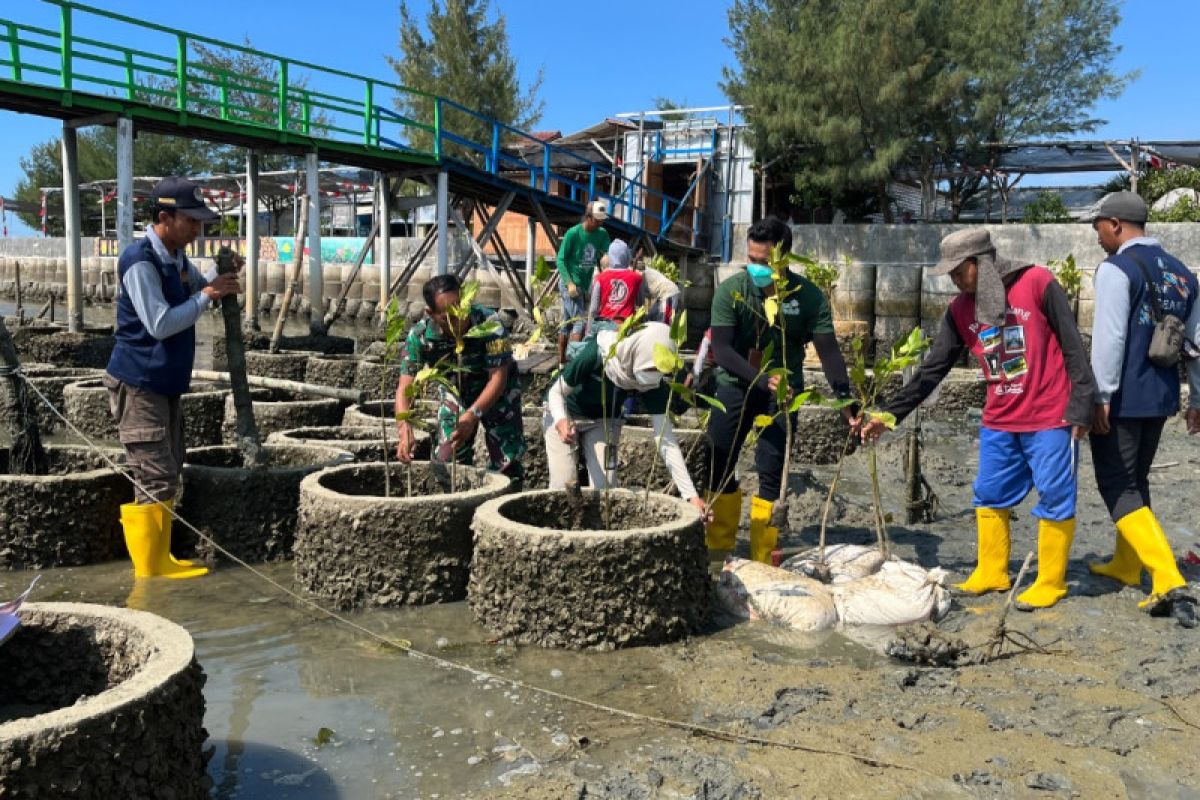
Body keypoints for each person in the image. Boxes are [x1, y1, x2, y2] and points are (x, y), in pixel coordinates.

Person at [861, 228, 1096, 611]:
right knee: (988, 493)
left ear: (981, 262)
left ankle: (1051, 581)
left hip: (1050, 414)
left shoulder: (1037, 282)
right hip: (1000, 419)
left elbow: (1074, 346)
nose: (954, 279)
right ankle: (992, 570)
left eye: (959, 270)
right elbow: (932, 369)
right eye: (950, 273)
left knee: (1055, 496)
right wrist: (889, 415)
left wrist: (1082, 404)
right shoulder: (959, 310)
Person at [105, 177, 241, 579]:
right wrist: (207, 296)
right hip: (139, 382)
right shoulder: (140, 260)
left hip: (165, 383)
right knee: (154, 474)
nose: (198, 229)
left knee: (169, 469)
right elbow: (161, 323)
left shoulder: (176, 258)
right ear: (164, 217)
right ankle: (150, 571)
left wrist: (218, 282)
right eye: (191, 220)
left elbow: (202, 291)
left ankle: (160, 558)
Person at [704, 218, 856, 563]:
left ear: (784, 258)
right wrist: (759, 378)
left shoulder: (807, 297)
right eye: (752, 259)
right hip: (735, 384)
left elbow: (830, 352)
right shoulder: (732, 292)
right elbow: (724, 351)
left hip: (783, 392)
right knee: (718, 461)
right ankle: (718, 547)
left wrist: (846, 399)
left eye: (764, 261)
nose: (756, 267)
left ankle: (762, 553)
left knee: (771, 469)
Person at [1085, 190, 1199, 626]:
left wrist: (1100, 396)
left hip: (1125, 397)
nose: (1097, 235)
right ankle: (1127, 564)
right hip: (1161, 394)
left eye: (1098, 225)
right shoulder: (1184, 274)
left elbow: (1109, 339)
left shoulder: (1117, 269)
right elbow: (1195, 346)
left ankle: (1166, 574)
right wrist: (1198, 401)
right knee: (1136, 481)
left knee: (1116, 484)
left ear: (1115, 224)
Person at [542, 322, 708, 519]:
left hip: (604, 420)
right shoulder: (599, 353)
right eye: (649, 368)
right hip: (565, 412)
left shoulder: (653, 383)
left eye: (658, 370)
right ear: (635, 352)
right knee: (563, 486)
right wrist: (561, 421)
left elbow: (666, 440)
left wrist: (691, 496)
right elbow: (556, 392)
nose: (652, 375)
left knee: (607, 489)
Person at [395, 273, 526, 482]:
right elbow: (405, 387)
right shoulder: (420, 336)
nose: (459, 320)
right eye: (448, 315)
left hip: (498, 393)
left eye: (460, 309)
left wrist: (472, 416)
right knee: (447, 461)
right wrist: (404, 427)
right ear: (431, 313)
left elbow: (498, 378)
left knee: (507, 464)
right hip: (455, 393)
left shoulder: (489, 324)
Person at [555, 200, 611, 363]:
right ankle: (574, 364)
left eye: (602, 220)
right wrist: (569, 282)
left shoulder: (602, 234)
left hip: (584, 283)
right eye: (597, 220)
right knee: (579, 322)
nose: (600, 223)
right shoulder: (573, 234)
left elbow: (607, 252)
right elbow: (560, 260)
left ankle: (561, 361)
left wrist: (607, 258)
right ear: (589, 217)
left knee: (566, 323)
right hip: (570, 284)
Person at [586, 239, 645, 333]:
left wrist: (588, 332)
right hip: (626, 328)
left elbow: (593, 310)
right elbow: (640, 304)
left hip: (604, 328)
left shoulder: (600, 278)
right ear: (626, 256)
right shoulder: (637, 278)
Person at [639, 256, 683, 324]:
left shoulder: (640, 274)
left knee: (664, 322)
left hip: (668, 294)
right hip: (661, 296)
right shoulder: (645, 273)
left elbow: (641, 301)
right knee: (653, 318)